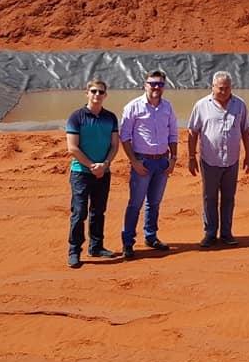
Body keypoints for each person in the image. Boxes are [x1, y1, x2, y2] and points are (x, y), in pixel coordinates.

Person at [187, 71, 249, 248]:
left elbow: (246, 130)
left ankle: (226, 233)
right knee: (209, 197)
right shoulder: (201, 105)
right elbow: (192, 132)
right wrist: (191, 157)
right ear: (212, 87)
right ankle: (210, 233)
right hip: (210, 160)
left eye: (227, 88)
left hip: (231, 160)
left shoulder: (239, 104)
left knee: (228, 197)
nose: (224, 92)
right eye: (220, 88)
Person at [119, 70, 179, 260]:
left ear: (164, 87)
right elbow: (125, 136)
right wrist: (134, 162)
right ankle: (128, 243)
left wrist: (173, 158)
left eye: (160, 84)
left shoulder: (168, 108)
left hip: (162, 162)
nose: (156, 87)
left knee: (154, 203)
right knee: (135, 204)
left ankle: (150, 236)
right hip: (142, 162)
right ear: (145, 84)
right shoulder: (133, 107)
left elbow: (173, 135)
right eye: (152, 83)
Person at [65, 80, 120, 269]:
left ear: (105, 95)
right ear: (86, 93)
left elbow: (114, 145)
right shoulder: (76, 117)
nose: (97, 94)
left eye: (101, 92)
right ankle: (74, 251)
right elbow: (72, 148)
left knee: (98, 211)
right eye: (93, 91)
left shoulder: (111, 117)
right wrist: (92, 166)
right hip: (81, 173)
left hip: (103, 172)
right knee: (79, 213)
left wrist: (104, 165)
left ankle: (96, 247)